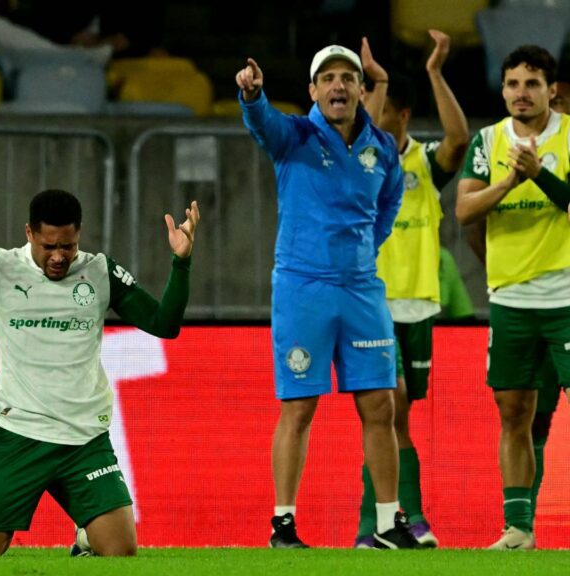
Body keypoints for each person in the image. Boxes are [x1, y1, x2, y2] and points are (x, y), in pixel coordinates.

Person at [0, 190, 198, 556]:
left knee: (121, 552)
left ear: (78, 234)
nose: (58, 256)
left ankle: (86, 542)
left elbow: (165, 324)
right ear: (29, 233)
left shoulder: (99, 271)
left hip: (84, 438)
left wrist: (181, 262)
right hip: (18, 434)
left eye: (68, 246)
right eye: (49, 246)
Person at [237, 45, 418, 549]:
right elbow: (262, 123)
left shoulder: (381, 147)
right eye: (328, 78)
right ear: (313, 91)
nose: (339, 86)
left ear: (363, 90)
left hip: (361, 290)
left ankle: (386, 525)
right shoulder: (293, 136)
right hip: (303, 288)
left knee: (381, 404)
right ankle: (284, 525)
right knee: (299, 408)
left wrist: (358, 252)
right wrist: (251, 95)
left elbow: (387, 207)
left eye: (348, 77)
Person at [353, 29, 471, 550]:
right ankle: (388, 523)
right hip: (371, 306)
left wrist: (434, 73)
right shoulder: (356, 164)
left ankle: (394, 522)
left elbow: (460, 140)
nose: (366, 116)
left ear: (400, 116)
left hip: (418, 306)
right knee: (388, 407)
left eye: (377, 108)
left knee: (400, 418)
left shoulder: (422, 162)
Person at [456, 44, 570, 550]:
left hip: (566, 295)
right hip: (511, 300)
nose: (521, 94)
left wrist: (540, 174)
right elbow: (464, 212)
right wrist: (510, 179)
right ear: (502, 90)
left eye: (531, 84)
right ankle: (519, 529)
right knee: (514, 411)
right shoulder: (487, 141)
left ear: (552, 90)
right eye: (512, 85)